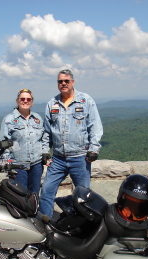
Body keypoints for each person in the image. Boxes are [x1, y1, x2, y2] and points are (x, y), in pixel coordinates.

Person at [39, 69, 103, 217]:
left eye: (66, 81)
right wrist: (44, 151)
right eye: (60, 81)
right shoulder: (52, 104)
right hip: (58, 159)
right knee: (47, 192)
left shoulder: (85, 100)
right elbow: (47, 131)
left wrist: (94, 149)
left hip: (80, 158)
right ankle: (45, 226)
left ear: (72, 82)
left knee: (83, 197)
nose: (63, 84)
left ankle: (81, 228)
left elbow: (95, 126)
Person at [0, 89, 47, 194]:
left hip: (36, 165)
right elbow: (3, 144)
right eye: (22, 99)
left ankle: (34, 211)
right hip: (18, 166)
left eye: (28, 99)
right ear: (17, 101)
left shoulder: (37, 118)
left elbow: (44, 139)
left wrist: (45, 153)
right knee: (20, 196)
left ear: (32, 102)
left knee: (34, 195)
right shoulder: (9, 120)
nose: (25, 101)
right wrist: (7, 165)